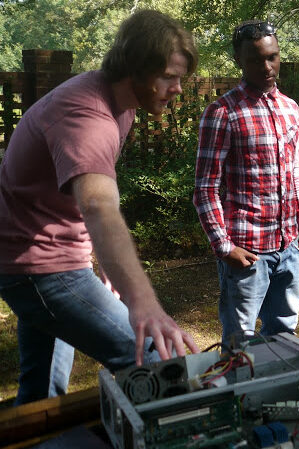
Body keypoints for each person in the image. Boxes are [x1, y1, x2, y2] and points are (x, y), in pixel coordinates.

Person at [0, 10, 200, 405]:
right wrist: (143, 304)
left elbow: (78, 195)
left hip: (45, 258)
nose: (177, 88)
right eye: (169, 76)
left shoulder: (118, 104)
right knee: (155, 362)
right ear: (136, 68)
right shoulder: (87, 115)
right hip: (40, 269)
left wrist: (103, 263)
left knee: (41, 394)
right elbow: (98, 206)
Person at [194, 20, 299, 345]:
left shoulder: (291, 108)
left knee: (285, 340)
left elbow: (294, 176)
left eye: (272, 57)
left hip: (289, 248)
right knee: (240, 346)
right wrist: (224, 248)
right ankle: (238, 397)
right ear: (239, 60)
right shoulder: (222, 113)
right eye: (255, 60)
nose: (266, 67)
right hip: (247, 254)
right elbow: (205, 190)